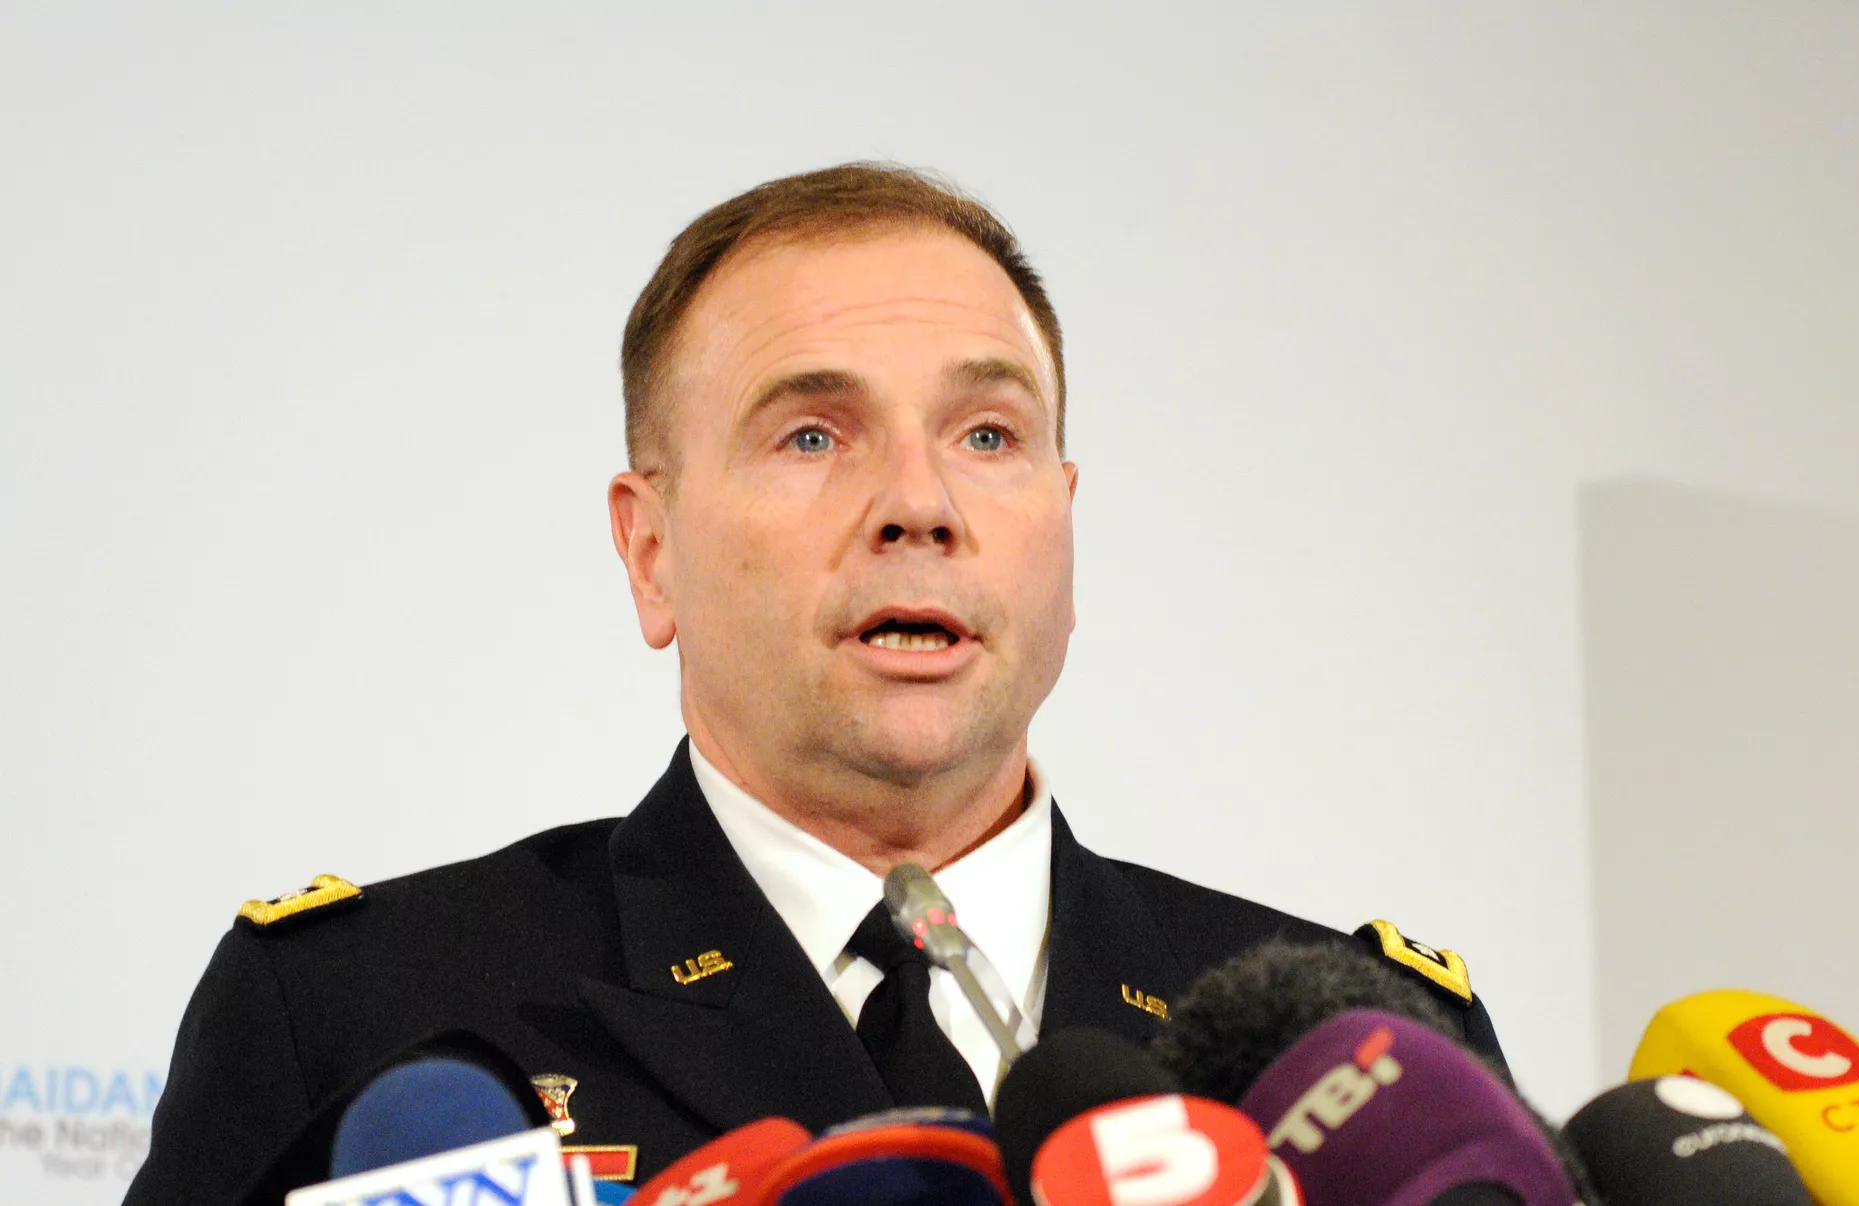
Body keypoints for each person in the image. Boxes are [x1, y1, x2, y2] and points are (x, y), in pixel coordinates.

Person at [124, 164, 1504, 1206]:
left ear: (1067, 521)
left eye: (987, 434)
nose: (920, 502)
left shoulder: (1355, 1054)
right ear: (651, 551)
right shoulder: (363, 1016)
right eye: (811, 435)